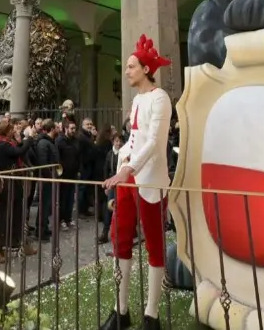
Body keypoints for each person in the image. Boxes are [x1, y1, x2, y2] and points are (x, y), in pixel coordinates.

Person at [101, 35, 173, 330]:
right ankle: (121, 311)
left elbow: (155, 143)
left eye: (131, 66)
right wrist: (121, 164)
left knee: (154, 246)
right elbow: (134, 138)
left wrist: (127, 169)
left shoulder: (160, 98)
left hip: (150, 181)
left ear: (145, 69)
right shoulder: (136, 101)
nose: (126, 70)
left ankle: (151, 315)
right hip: (129, 181)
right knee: (120, 240)